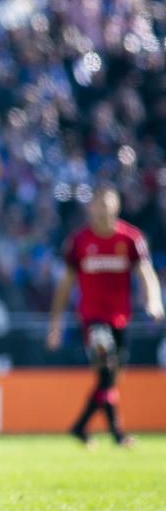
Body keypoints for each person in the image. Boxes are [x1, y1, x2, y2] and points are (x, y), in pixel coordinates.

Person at [46, 186, 164, 447]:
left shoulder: (131, 239)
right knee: (106, 366)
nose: (101, 209)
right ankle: (117, 434)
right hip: (92, 318)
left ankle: (80, 427)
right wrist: (55, 324)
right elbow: (65, 285)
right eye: (97, 203)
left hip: (121, 318)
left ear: (116, 206)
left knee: (110, 378)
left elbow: (145, 272)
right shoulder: (79, 242)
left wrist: (154, 300)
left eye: (107, 203)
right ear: (90, 207)